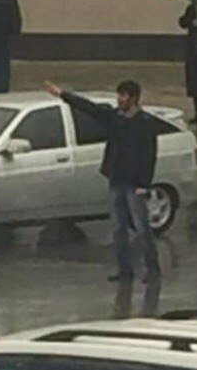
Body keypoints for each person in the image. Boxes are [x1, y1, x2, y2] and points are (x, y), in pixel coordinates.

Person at [45, 79, 160, 283]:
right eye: (118, 95)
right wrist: (63, 94)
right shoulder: (113, 117)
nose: (120, 99)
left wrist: (144, 184)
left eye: (123, 96)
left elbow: (149, 154)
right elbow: (89, 108)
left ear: (133, 99)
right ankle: (125, 270)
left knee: (142, 228)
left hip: (134, 184)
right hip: (116, 179)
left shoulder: (144, 123)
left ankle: (152, 269)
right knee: (118, 228)